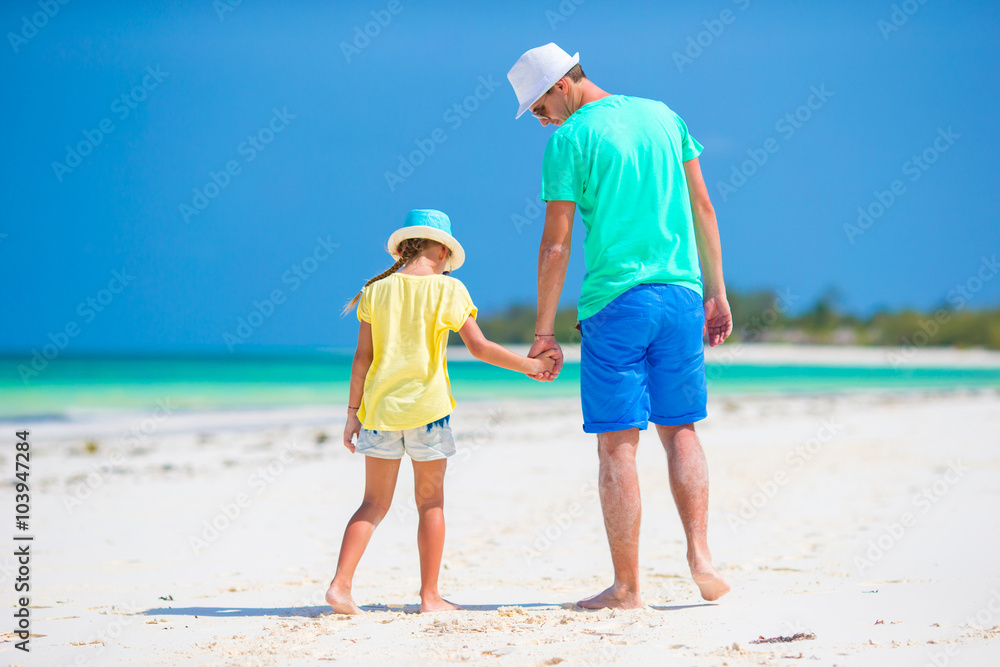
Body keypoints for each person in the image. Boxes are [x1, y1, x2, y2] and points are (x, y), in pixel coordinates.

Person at [506, 44, 733, 609]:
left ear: (562, 85)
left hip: (616, 302)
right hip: (681, 294)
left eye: (538, 107)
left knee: (617, 447)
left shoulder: (570, 139)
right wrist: (717, 290)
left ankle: (628, 587)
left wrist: (543, 331)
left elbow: (556, 242)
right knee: (681, 430)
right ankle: (701, 556)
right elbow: (704, 207)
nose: (541, 121)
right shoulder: (664, 115)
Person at [325, 208, 557, 614]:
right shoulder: (450, 290)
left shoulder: (374, 291)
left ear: (406, 248)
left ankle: (340, 587)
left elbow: (362, 359)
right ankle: (430, 597)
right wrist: (533, 367)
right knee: (430, 505)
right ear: (441, 250)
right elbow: (480, 348)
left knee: (372, 504)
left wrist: (351, 413)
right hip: (428, 413)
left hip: (379, 412)